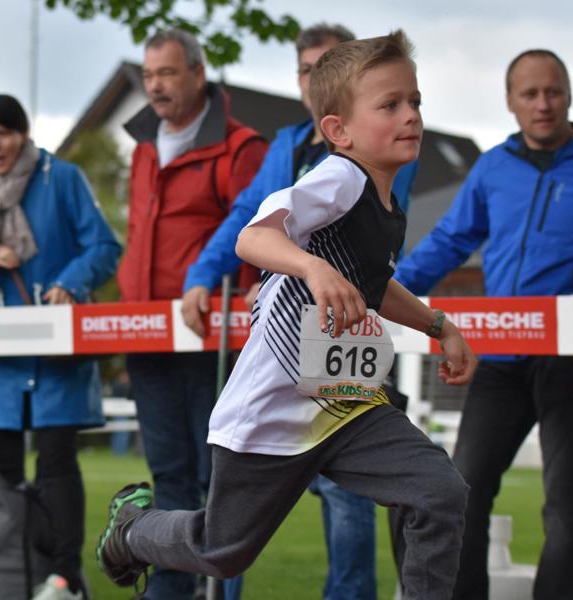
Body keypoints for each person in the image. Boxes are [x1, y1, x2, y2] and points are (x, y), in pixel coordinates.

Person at [98, 31, 475, 600]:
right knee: (220, 552)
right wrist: (312, 270)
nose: (410, 116)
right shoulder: (339, 176)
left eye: (414, 101)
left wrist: (438, 326)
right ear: (338, 131)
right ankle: (132, 530)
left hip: (343, 403)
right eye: (390, 105)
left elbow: (376, 285)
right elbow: (253, 238)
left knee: (438, 491)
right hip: (269, 416)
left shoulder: (385, 203)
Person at [180, 23, 420, 599]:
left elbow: (376, 266)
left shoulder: (384, 160)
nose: (316, 80)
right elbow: (248, 224)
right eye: (309, 70)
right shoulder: (295, 152)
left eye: (413, 102)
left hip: (342, 353)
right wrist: (203, 276)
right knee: (230, 535)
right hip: (287, 352)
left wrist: (434, 322)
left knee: (363, 497)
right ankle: (155, 543)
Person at [394, 49, 573, 600]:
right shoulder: (493, 166)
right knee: (464, 490)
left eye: (553, 92)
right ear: (510, 102)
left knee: (564, 500)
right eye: (530, 94)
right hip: (501, 360)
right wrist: (383, 285)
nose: (543, 104)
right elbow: (450, 240)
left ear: (569, 95)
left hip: (570, 360)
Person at [0, 94, 120, 600]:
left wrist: (71, 281)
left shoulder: (62, 178)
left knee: (58, 463)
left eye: (4, 133)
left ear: (24, 132)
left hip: (57, 350)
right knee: (4, 472)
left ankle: (63, 578)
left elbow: (104, 246)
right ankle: (14, 581)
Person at [116, 28, 267, 600]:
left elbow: (255, 229)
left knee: (218, 480)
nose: (155, 86)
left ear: (198, 75)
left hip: (213, 339)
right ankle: (170, 591)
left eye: (168, 73)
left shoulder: (239, 147)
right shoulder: (144, 147)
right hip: (149, 335)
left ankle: (218, 591)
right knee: (169, 474)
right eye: (149, 75)